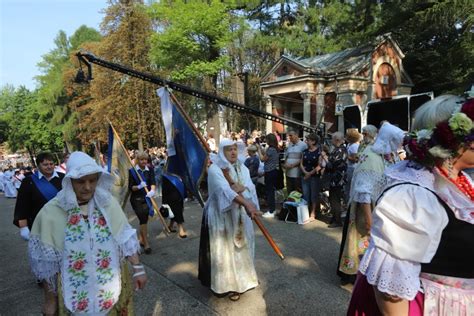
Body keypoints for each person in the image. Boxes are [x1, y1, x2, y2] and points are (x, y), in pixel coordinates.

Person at [348, 95, 473, 316]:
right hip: (428, 305)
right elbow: (391, 292)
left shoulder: (460, 181)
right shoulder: (413, 193)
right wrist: (368, 220)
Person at [28, 151, 146, 315]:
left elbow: (124, 238)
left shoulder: (107, 202)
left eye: (92, 180)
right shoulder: (52, 211)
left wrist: (138, 268)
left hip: (113, 285)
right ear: (69, 181)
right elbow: (48, 264)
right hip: (73, 289)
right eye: (80, 181)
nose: (88, 187)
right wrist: (50, 300)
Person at [338, 122, 404, 285]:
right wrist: (369, 220)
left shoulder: (389, 154)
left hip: (381, 207)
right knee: (359, 241)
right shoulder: (372, 154)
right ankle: (354, 275)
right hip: (365, 208)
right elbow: (363, 190)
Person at [198, 139, 261, 301]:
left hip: (240, 214)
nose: (233, 152)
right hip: (222, 217)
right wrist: (242, 197)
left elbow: (249, 186)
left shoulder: (243, 168)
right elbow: (223, 191)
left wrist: (242, 190)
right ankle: (228, 285)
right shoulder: (214, 169)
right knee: (226, 251)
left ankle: (244, 280)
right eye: (228, 149)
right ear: (222, 152)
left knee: (243, 248)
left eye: (235, 149)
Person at [14, 152, 64, 241]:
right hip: (39, 223)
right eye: (45, 164)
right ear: (38, 165)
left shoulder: (63, 178)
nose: (49, 166)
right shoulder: (28, 181)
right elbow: (22, 204)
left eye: (51, 164)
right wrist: (23, 227)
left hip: (62, 221)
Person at [128, 151, 156, 254]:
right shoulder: (132, 171)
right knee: (143, 218)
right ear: (137, 160)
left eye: (145, 159)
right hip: (136, 199)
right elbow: (130, 187)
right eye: (141, 159)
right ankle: (146, 243)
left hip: (147, 197)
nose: (144, 161)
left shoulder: (150, 169)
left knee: (144, 219)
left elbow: (153, 182)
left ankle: (141, 238)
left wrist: (152, 191)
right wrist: (139, 186)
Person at [326, 132, 348, 228]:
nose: (331, 141)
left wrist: (324, 157)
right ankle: (335, 217)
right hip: (334, 178)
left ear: (337, 140)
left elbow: (332, 164)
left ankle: (337, 220)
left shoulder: (340, 150)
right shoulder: (338, 149)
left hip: (338, 179)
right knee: (332, 198)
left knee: (335, 199)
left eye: (332, 139)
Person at [256, 133, 280, 218]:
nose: (265, 141)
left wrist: (258, 149)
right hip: (273, 171)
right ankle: (272, 209)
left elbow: (262, 159)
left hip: (270, 172)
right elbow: (266, 155)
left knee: (269, 191)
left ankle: (271, 210)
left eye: (267, 139)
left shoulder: (271, 149)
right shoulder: (274, 149)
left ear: (269, 140)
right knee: (271, 191)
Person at [299, 133, 322, 221]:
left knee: (314, 195)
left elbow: (319, 165)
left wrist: (309, 174)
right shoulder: (304, 151)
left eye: (308, 140)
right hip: (304, 175)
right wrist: (305, 172)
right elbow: (301, 163)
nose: (306, 141)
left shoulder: (319, 152)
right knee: (305, 194)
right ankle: (305, 212)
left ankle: (313, 212)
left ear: (313, 141)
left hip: (314, 176)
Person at [162, 173, 187, 238]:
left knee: (175, 212)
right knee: (178, 213)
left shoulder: (180, 175)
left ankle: (170, 226)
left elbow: (183, 185)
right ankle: (181, 230)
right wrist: (164, 202)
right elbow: (164, 189)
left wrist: (185, 195)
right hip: (171, 198)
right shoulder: (166, 176)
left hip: (180, 197)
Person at [283, 129, 307, 194]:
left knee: (297, 193)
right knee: (289, 192)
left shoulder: (303, 145)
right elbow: (286, 156)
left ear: (296, 135)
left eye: (291, 135)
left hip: (297, 174)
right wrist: (285, 164)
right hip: (288, 173)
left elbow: (303, 159)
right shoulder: (290, 145)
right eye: (288, 136)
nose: (289, 137)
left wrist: (292, 165)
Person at [344, 128, 362, 204]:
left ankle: (350, 203)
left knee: (351, 186)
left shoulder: (354, 146)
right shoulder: (349, 144)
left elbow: (355, 159)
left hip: (353, 168)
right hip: (349, 167)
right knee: (347, 187)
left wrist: (345, 156)